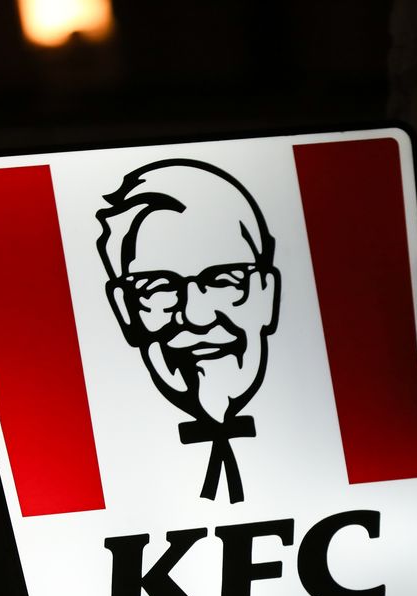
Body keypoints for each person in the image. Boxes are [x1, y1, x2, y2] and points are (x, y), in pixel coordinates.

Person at [96, 159, 281, 503]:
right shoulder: (125, 460)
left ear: (267, 294)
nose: (196, 316)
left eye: (224, 280)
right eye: (158, 287)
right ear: (125, 310)